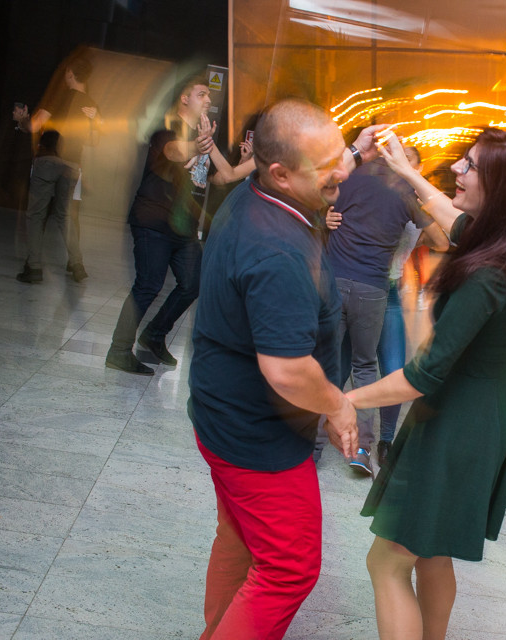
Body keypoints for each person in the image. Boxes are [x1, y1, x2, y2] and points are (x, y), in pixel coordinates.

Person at [347, 129, 506, 640]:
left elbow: (422, 376)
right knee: (432, 551)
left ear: (498, 187)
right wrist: (406, 170)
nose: (457, 171)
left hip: (457, 427)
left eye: (470, 166)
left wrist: (343, 398)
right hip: (480, 414)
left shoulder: (488, 273)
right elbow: (450, 216)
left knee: (387, 562)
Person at [189, 98, 384, 639]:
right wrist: (337, 405)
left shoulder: (258, 191)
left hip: (221, 413)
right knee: (289, 567)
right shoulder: (277, 252)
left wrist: (354, 153)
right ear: (280, 173)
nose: (342, 170)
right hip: (257, 438)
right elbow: (287, 372)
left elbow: (324, 164)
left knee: (238, 537)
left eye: (341, 155)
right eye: (328, 165)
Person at [104, 75, 253, 375]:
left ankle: (154, 334)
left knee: (193, 283)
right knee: (148, 284)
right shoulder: (167, 130)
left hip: (183, 228)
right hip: (153, 220)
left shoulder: (204, 139)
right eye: (202, 94)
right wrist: (197, 146)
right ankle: (118, 351)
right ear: (185, 98)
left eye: (209, 96)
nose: (208, 100)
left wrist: (250, 160)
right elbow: (173, 151)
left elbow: (223, 176)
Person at [317, 142, 447, 475]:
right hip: (374, 289)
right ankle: (361, 447)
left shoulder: (351, 178)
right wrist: (326, 218)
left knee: (340, 367)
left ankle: (317, 446)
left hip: (348, 285)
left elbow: (314, 195)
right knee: (362, 368)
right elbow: (443, 241)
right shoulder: (405, 195)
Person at [16, 55, 99, 283]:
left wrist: (21, 120)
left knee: (36, 214)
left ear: (70, 73)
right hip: (72, 164)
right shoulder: (92, 104)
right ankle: (77, 264)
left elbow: (35, 125)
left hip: (49, 159)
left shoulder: (61, 96)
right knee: (66, 215)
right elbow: (93, 141)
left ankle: (34, 268)